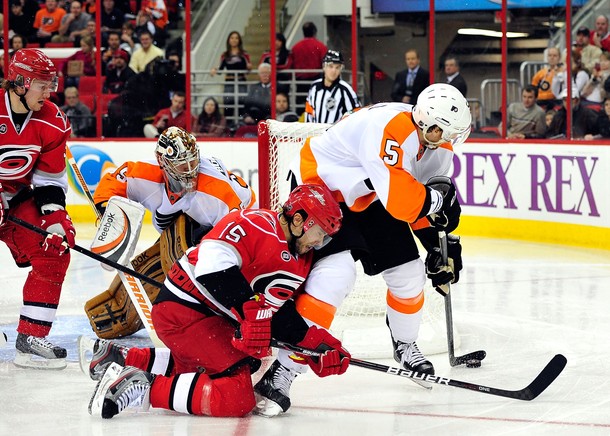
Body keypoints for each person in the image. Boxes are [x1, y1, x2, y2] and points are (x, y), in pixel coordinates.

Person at [254, 83, 470, 416]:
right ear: (426, 121)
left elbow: (417, 202)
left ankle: (405, 344)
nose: (448, 140)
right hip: (325, 185)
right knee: (334, 278)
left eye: (453, 134)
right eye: (443, 131)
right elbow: (403, 201)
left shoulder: (437, 145)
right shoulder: (390, 131)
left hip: (370, 193)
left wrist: (435, 246)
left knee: (409, 275)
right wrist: (439, 201)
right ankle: (282, 371)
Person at [85, 184, 349, 420]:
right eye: (320, 232)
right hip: (183, 309)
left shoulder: (300, 261)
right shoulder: (254, 223)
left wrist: (314, 345)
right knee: (236, 396)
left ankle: (120, 358)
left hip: (210, 318)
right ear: (299, 219)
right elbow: (211, 266)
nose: (320, 242)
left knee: (236, 365)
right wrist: (248, 308)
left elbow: (276, 312)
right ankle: (143, 386)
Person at [86, 126, 257, 339]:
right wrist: (106, 211)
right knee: (166, 259)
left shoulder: (217, 193)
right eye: (182, 164)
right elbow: (112, 183)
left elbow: (241, 237)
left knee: (194, 271)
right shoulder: (145, 173)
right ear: (163, 162)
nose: (190, 170)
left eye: (193, 162)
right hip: (181, 226)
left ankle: (210, 314)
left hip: (230, 228)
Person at [0, 49, 74, 369]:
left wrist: (55, 219)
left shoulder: (53, 120)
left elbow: (49, 178)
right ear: (20, 82)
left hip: (16, 200)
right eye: (42, 85)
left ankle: (30, 338)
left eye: (51, 84)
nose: (50, 91)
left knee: (54, 250)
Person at [304, 50, 360, 124]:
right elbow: (309, 112)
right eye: (330, 66)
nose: (334, 71)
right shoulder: (314, 87)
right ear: (324, 67)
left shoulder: (345, 90)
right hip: (317, 134)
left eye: (337, 67)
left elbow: (356, 114)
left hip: (337, 135)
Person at [210, 31, 252, 122]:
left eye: (236, 38)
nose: (234, 40)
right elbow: (220, 69)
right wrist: (214, 70)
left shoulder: (244, 54)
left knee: (242, 103)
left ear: (239, 40)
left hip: (241, 81)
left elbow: (248, 70)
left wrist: (249, 68)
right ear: (229, 40)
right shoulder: (224, 55)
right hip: (229, 82)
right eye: (232, 38)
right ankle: (228, 126)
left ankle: (241, 125)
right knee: (228, 104)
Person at [291, 22, 328, 108]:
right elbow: (325, 63)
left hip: (300, 81)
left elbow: (292, 63)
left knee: (300, 106)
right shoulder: (321, 46)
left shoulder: (296, 47)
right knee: (317, 103)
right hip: (316, 79)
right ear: (315, 32)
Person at [531, 46, 562, 111]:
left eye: (555, 56)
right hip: (540, 102)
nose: (552, 58)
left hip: (556, 101)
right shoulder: (540, 73)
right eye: (550, 55)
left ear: (559, 58)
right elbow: (533, 88)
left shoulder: (562, 73)